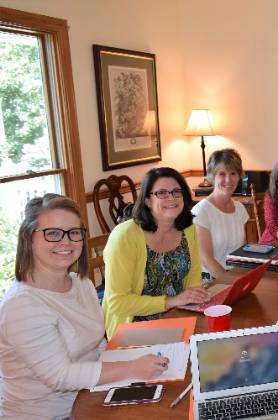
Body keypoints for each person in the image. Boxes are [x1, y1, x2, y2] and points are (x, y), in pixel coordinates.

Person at [0, 194, 168, 419]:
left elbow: (97, 344)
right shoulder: (21, 306)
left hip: (93, 396)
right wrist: (132, 368)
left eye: (74, 232)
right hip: (51, 414)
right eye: (52, 233)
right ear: (29, 238)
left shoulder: (81, 283)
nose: (66, 241)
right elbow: (60, 376)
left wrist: (133, 363)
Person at [102, 167, 208, 338]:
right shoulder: (124, 236)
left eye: (176, 192)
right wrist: (171, 301)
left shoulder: (188, 228)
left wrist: (195, 301)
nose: (172, 198)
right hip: (132, 328)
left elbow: (193, 281)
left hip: (178, 317)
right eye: (162, 193)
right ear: (147, 200)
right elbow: (117, 302)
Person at [192, 149, 249, 279]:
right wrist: (230, 282)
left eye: (233, 173)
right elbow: (206, 260)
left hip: (235, 277)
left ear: (239, 176)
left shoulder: (240, 209)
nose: (228, 180)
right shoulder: (201, 212)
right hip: (209, 281)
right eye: (222, 174)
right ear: (212, 177)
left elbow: (242, 252)